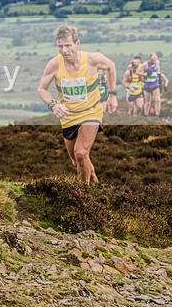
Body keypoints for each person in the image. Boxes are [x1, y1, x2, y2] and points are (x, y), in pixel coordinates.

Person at [37, 24, 117, 186]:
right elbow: (41, 89)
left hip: (91, 112)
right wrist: (53, 104)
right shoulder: (54, 64)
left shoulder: (92, 59)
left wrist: (112, 95)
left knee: (80, 153)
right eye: (60, 46)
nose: (64, 51)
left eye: (68, 45)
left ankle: (82, 193)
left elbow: (111, 66)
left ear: (77, 43)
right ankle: (96, 186)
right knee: (77, 160)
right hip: (69, 117)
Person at [141, 53, 167, 117]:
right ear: (150, 58)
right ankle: (146, 115)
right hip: (147, 85)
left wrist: (163, 85)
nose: (154, 61)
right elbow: (138, 72)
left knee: (158, 100)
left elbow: (159, 75)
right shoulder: (145, 64)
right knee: (148, 102)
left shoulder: (157, 65)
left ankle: (157, 115)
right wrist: (145, 74)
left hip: (155, 84)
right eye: (153, 60)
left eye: (155, 60)